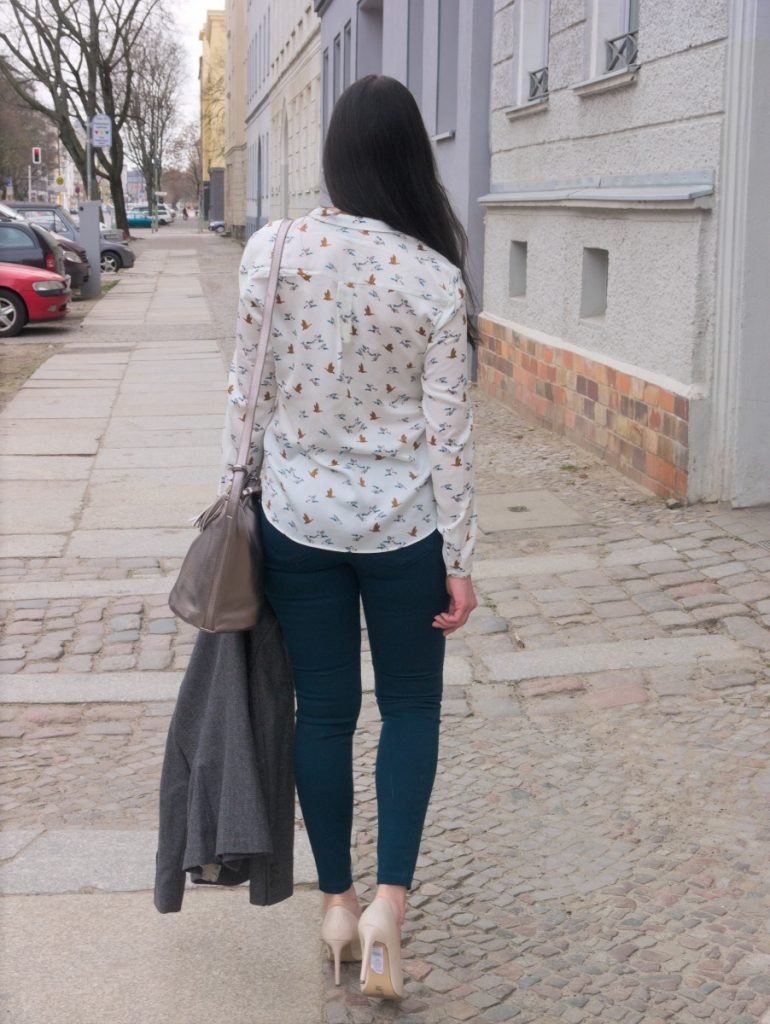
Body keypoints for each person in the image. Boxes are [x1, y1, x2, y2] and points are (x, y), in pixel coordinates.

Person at [218, 74, 478, 1000]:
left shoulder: (274, 253)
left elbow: (246, 395)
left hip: (298, 524)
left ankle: (334, 903)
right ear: (412, 159)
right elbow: (448, 431)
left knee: (322, 713)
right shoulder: (436, 277)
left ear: (333, 156)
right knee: (411, 711)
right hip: (407, 529)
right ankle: (388, 915)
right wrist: (460, 558)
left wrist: (228, 506)